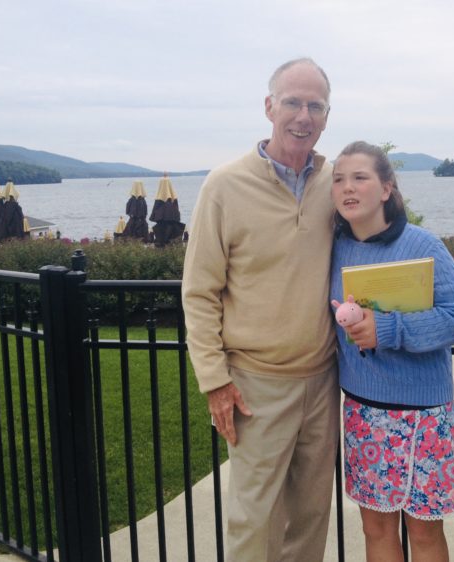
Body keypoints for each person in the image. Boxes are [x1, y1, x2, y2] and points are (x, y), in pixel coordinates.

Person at [182, 58, 338, 562]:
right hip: (254, 383)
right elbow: (200, 291)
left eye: (315, 105)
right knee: (254, 521)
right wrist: (214, 379)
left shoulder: (337, 184)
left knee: (311, 518)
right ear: (269, 106)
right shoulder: (224, 186)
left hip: (324, 378)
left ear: (327, 115)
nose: (303, 115)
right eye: (292, 101)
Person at [329, 141, 454, 562]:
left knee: (425, 532)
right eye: (339, 179)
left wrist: (389, 329)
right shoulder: (334, 248)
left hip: (422, 415)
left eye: (360, 177)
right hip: (361, 409)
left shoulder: (422, 244)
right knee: (374, 529)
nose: (348, 188)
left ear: (387, 189)